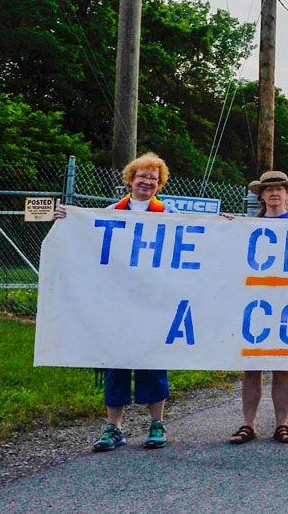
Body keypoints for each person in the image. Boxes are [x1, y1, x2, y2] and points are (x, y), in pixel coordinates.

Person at [53, 153, 176, 452]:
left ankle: (156, 424)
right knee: (115, 361)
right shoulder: (110, 212)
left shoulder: (170, 213)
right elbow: (87, 238)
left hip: (152, 301)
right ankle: (114, 427)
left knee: (152, 360)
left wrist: (222, 224)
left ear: (159, 184)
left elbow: (199, 237)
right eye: (142, 176)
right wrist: (67, 221)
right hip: (117, 302)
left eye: (153, 177)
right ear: (130, 179)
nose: (147, 181)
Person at [225, 171, 288, 445]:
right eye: (268, 189)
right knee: (252, 366)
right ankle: (249, 424)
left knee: (282, 364)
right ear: (261, 195)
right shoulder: (249, 225)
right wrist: (224, 228)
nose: (274, 193)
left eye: (279, 189)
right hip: (255, 303)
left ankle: (282, 424)